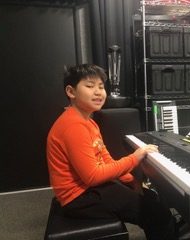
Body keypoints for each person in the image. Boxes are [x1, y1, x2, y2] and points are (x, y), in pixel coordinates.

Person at [46, 63, 178, 240]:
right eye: (90, 86)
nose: (99, 92)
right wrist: (135, 157)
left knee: (151, 198)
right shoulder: (73, 126)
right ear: (71, 92)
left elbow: (105, 158)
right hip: (78, 198)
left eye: (101, 87)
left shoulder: (89, 122)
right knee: (156, 213)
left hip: (89, 188)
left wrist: (131, 181)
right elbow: (92, 176)